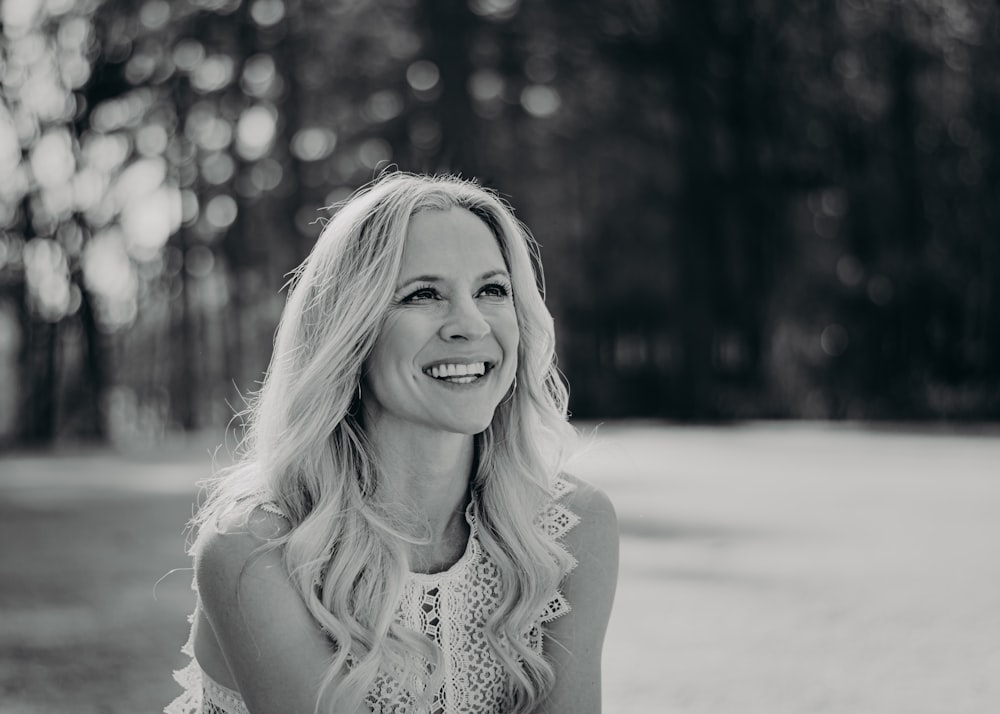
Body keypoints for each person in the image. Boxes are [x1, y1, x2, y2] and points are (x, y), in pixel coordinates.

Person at [166, 172, 619, 714]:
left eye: (492, 290)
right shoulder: (255, 551)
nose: (471, 324)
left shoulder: (570, 529)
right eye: (423, 294)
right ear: (351, 329)